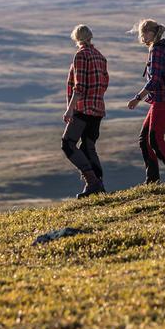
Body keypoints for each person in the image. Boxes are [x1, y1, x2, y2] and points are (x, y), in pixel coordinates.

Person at [127, 18, 165, 184]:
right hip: (163, 100)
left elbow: (155, 80)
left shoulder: (157, 50)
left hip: (162, 100)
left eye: (143, 34)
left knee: (155, 139)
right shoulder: (164, 48)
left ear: (149, 33)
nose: (142, 38)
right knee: (145, 139)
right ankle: (152, 180)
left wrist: (137, 98)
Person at [62, 24, 109, 198]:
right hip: (98, 108)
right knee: (89, 146)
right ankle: (99, 184)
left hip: (83, 108)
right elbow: (104, 83)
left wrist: (70, 109)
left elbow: (79, 86)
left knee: (68, 143)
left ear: (76, 38)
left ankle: (93, 182)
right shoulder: (100, 57)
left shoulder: (81, 55)